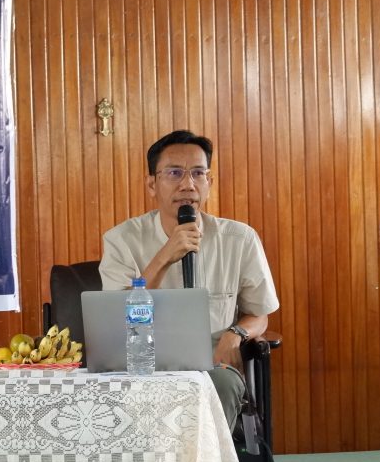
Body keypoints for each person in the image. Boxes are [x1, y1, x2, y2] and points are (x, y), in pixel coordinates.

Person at [98, 129, 280, 432]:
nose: (188, 184)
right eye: (174, 173)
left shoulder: (239, 239)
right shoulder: (121, 240)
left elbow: (260, 314)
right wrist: (164, 257)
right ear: (152, 184)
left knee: (221, 385)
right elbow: (117, 317)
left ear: (210, 182)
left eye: (198, 173)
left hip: (212, 364)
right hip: (143, 364)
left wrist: (235, 333)